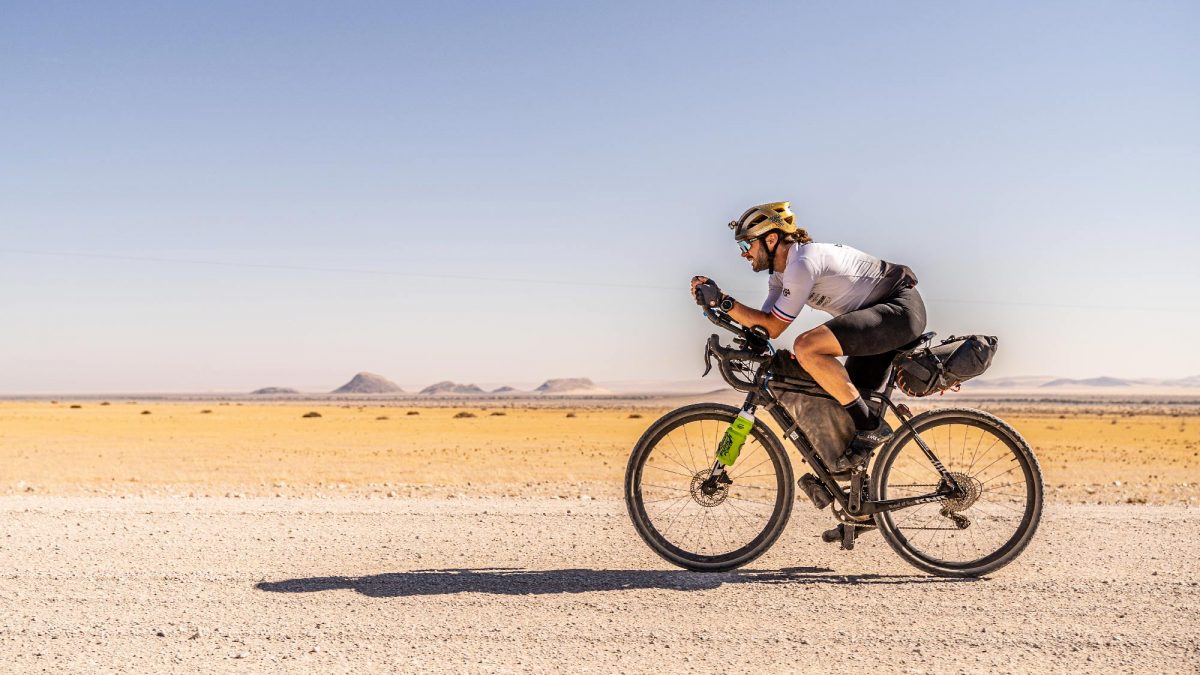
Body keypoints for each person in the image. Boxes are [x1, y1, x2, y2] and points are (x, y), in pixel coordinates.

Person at [690, 201, 926, 502]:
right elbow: (762, 329)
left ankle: (872, 427)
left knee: (806, 347)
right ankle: (860, 505)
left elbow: (774, 327)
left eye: (748, 243)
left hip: (898, 312)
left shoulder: (801, 264)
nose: (744, 253)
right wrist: (718, 310)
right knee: (843, 416)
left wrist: (724, 300)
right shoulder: (780, 275)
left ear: (771, 239)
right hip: (878, 320)